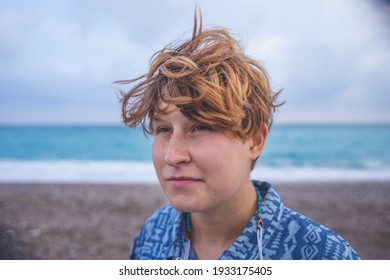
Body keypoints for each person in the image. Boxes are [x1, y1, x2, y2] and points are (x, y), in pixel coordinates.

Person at [118, 9, 360, 260]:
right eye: (164, 129)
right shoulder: (153, 235)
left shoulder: (323, 258)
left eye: (200, 127)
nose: (172, 156)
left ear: (255, 141)